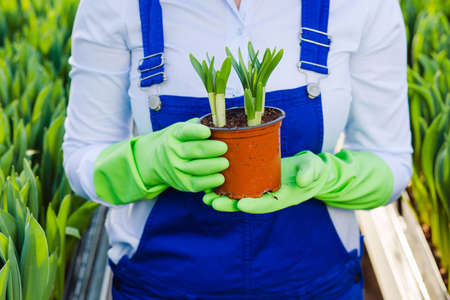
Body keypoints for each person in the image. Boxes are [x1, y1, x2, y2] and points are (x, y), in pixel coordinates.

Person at [63, 0, 412, 298]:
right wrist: (145, 163)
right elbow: (83, 155)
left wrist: (329, 178)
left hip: (316, 284)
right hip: (161, 284)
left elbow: (389, 158)